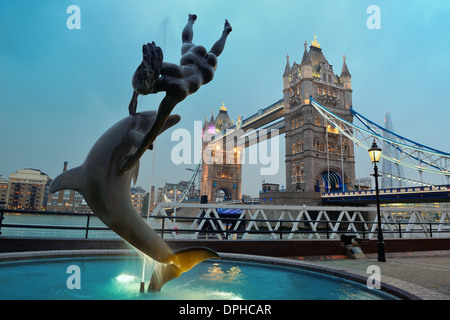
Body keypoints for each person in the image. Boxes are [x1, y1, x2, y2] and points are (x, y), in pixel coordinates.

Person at [122, 14, 232, 171]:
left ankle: (225, 32)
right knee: (188, 42)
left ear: (154, 90)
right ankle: (194, 21)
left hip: (203, 72)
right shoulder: (166, 68)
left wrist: (135, 157)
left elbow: (154, 130)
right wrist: (134, 96)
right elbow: (146, 73)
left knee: (213, 53)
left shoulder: (177, 93)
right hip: (195, 62)